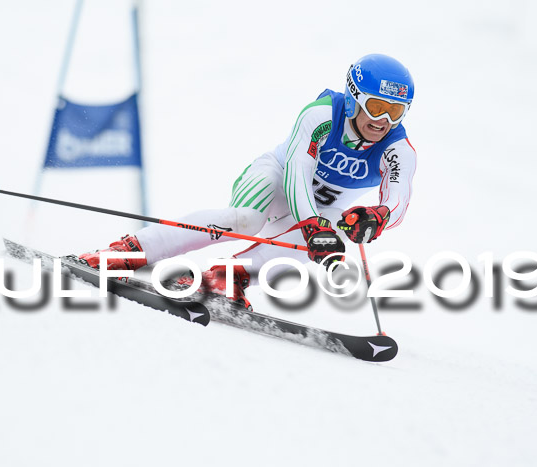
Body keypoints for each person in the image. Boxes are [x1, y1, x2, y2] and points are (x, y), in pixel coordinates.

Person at [79, 53, 417, 310]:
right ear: (355, 96)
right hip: (276, 179)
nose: (383, 120)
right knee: (246, 220)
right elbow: (297, 173)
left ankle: (225, 278)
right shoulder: (322, 114)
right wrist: (314, 225)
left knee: (331, 235)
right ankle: (127, 251)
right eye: (376, 106)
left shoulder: (398, 148)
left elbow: (399, 200)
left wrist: (377, 217)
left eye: (396, 111)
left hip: (322, 207)